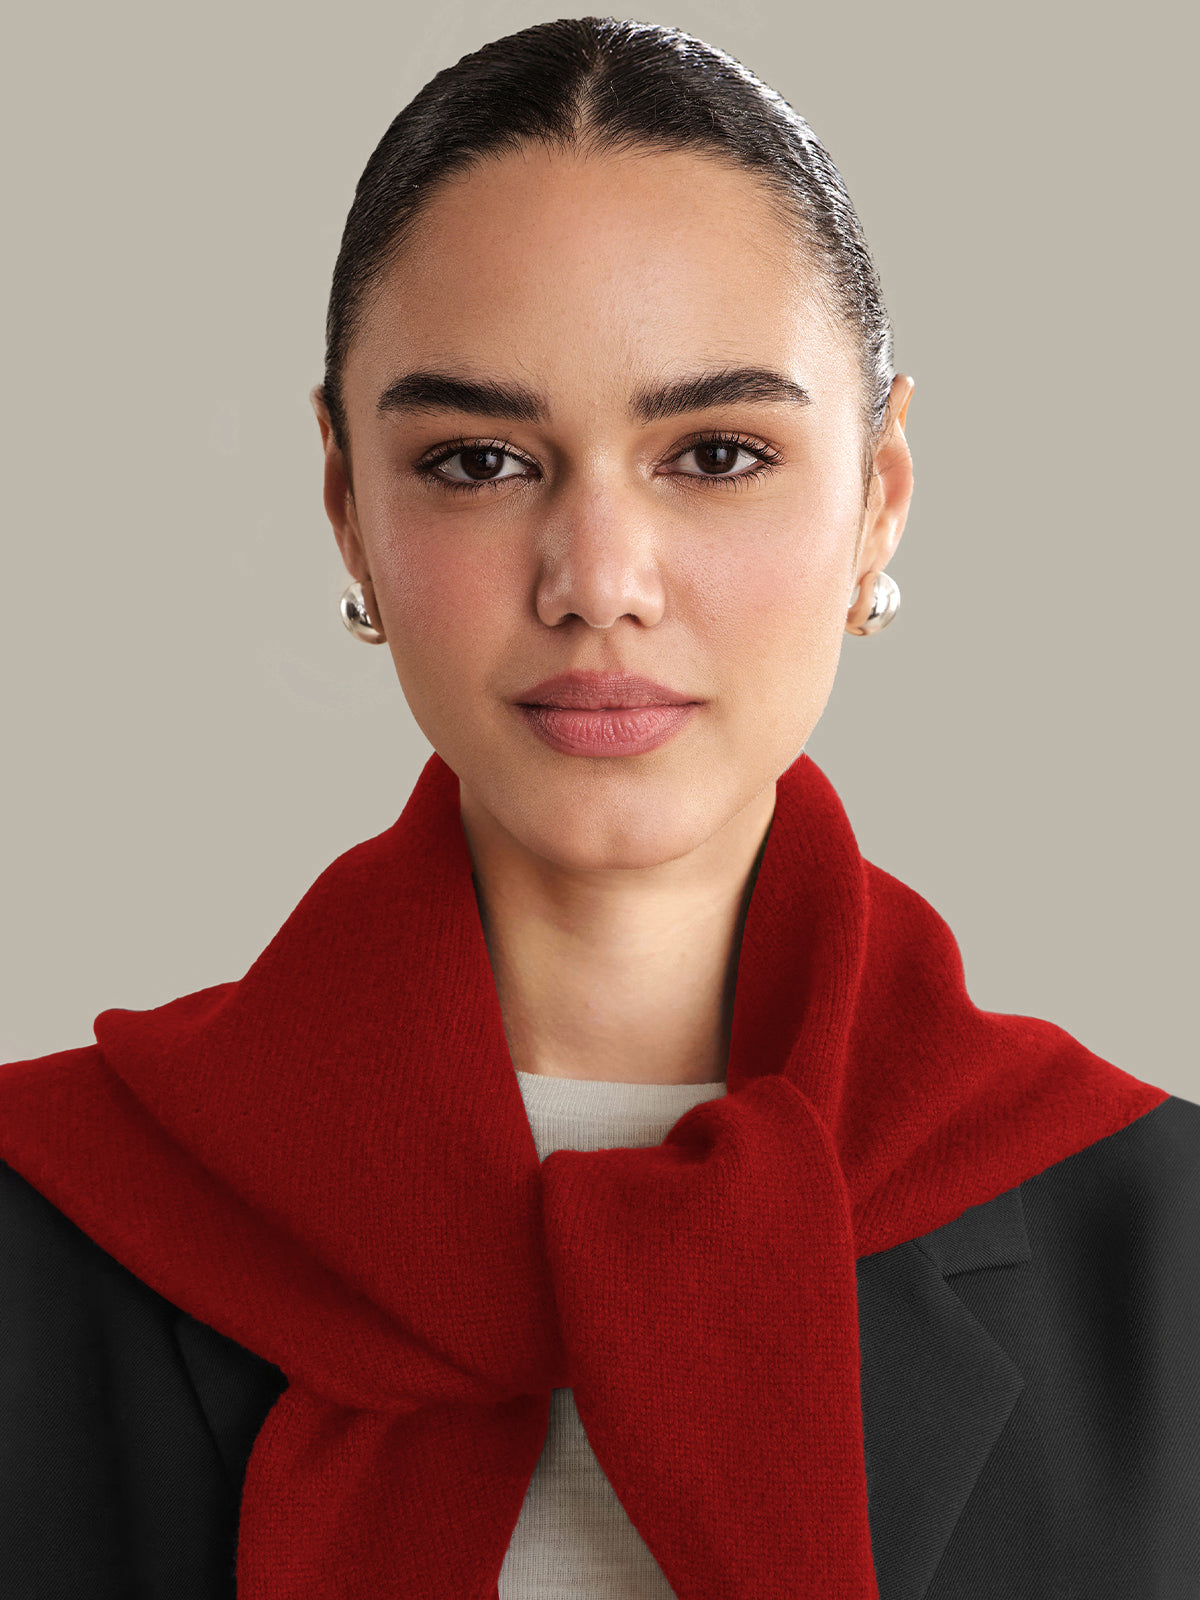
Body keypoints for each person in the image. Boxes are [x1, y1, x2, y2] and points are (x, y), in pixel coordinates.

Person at [1, 15, 1197, 1600]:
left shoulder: (1166, 1246)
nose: (598, 584)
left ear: (879, 501)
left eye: (717, 452)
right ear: (348, 504)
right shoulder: (45, 1214)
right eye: (479, 461)